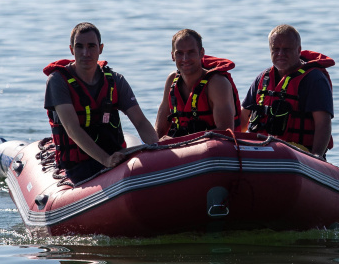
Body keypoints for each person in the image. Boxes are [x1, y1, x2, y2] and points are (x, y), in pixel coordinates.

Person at [43, 22, 159, 184]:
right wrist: (106, 160)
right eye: (79, 47)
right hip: (78, 165)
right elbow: (72, 129)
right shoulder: (57, 81)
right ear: (71, 50)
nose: (86, 53)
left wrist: (157, 146)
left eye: (91, 46)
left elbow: (140, 121)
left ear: (101, 48)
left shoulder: (116, 80)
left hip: (116, 157)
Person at [241, 24, 335, 160]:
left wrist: (317, 156)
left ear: (298, 50)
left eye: (286, 49)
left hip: (297, 153)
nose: (281, 54)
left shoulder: (313, 79)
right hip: (261, 149)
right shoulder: (263, 78)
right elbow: (243, 118)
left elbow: (323, 123)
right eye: (276, 49)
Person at [155, 29, 241, 138]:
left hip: (215, 150)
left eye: (191, 52)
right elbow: (159, 132)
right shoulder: (172, 80)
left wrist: (177, 142)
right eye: (179, 53)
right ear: (172, 56)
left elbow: (225, 132)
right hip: (180, 148)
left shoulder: (218, 83)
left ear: (201, 53)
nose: (185, 59)